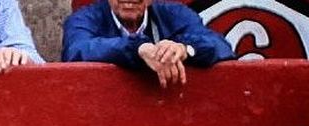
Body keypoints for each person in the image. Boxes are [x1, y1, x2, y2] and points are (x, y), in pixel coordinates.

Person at [61, 0, 232, 88]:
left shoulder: (174, 13)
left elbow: (221, 46)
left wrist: (183, 49)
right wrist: (138, 49)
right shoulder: (84, 18)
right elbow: (76, 50)